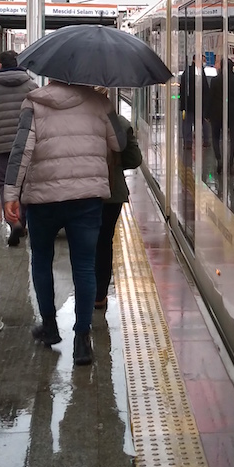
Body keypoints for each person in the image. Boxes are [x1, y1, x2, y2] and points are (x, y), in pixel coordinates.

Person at [3, 80, 123, 366]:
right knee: (84, 266)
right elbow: (118, 142)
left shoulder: (34, 103)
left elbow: (22, 151)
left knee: (42, 260)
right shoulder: (99, 102)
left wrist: (11, 194)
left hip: (44, 199)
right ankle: (82, 340)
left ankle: (50, 326)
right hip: (87, 198)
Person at [94, 96, 143, 314]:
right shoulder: (119, 123)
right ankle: (100, 295)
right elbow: (134, 160)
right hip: (112, 194)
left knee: (84, 244)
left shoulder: (78, 119)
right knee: (104, 242)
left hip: (84, 193)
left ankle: (86, 291)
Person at [0, 50, 38, 246]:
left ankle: (13, 222)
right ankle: (23, 222)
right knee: (25, 185)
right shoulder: (31, 85)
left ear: (0, 65)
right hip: (26, 144)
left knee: (5, 185)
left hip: (2, 147)